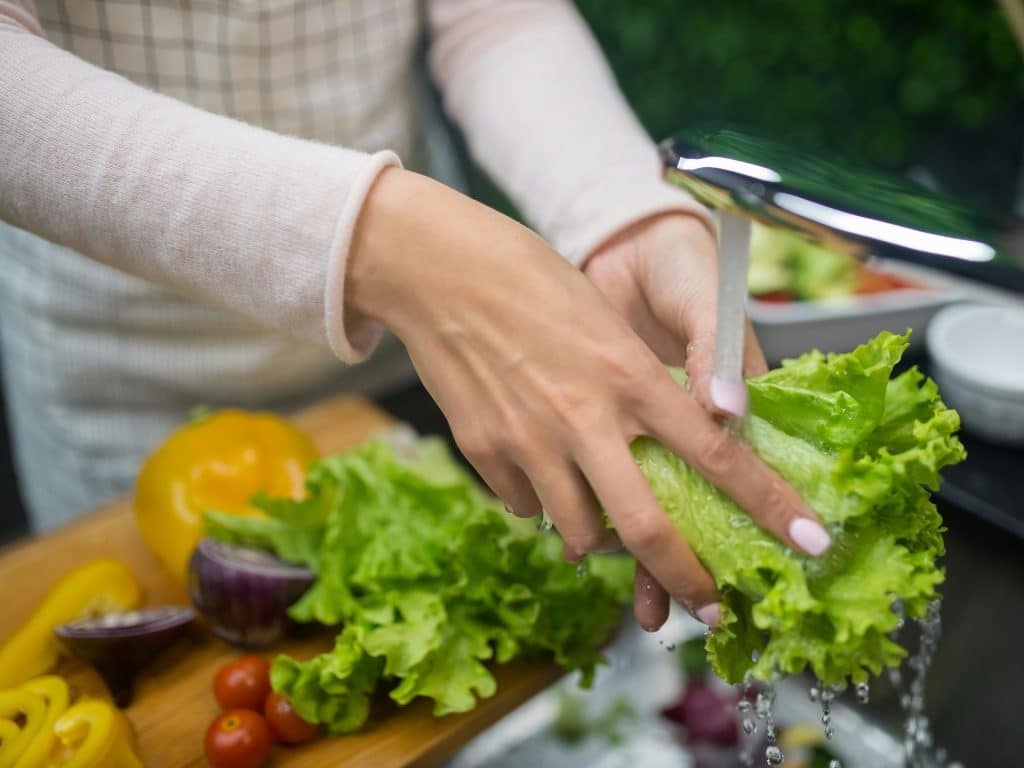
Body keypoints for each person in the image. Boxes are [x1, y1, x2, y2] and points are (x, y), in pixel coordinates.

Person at [0, 0, 830, 632]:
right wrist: (380, 245)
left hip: (421, 362)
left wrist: (621, 210)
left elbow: (492, 19)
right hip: (131, 387)